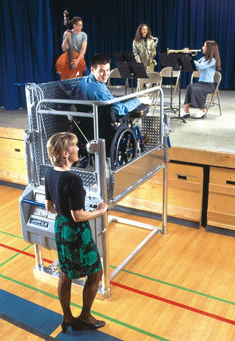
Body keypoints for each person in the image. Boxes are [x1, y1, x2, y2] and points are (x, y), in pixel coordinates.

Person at [45, 132, 107, 334]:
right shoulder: (73, 179)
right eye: (74, 146)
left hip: (60, 227)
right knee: (96, 271)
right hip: (75, 232)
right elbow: (78, 216)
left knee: (65, 272)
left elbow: (49, 207)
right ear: (65, 153)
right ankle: (85, 317)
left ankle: (67, 318)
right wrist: (100, 211)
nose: (78, 149)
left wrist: (64, 210)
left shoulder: (50, 174)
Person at [71, 53, 151, 117]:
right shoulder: (98, 90)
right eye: (101, 71)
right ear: (92, 70)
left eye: (108, 70)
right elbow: (120, 110)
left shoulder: (82, 82)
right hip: (101, 124)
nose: (106, 74)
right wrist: (140, 100)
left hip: (85, 122)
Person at [181, 40, 221, 119]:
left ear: (209, 48)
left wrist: (189, 55)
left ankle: (202, 110)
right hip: (201, 83)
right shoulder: (203, 58)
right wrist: (187, 56)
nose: (202, 47)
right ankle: (186, 111)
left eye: (204, 46)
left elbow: (199, 66)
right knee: (190, 87)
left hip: (209, 85)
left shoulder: (213, 61)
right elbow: (194, 65)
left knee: (197, 89)